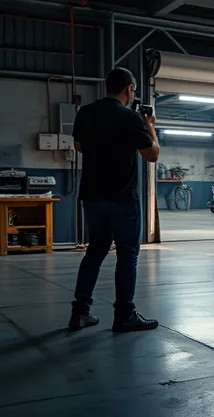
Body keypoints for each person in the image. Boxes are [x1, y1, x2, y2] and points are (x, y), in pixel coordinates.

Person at [69, 67, 161, 332]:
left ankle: (80, 313)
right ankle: (124, 315)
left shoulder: (84, 113)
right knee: (127, 254)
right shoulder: (131, 118)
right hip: (122, 197)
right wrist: (150, 126)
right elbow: (152, 155)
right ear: (129, 89)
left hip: (92, 196)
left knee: (95, 252)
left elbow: (79, 147)